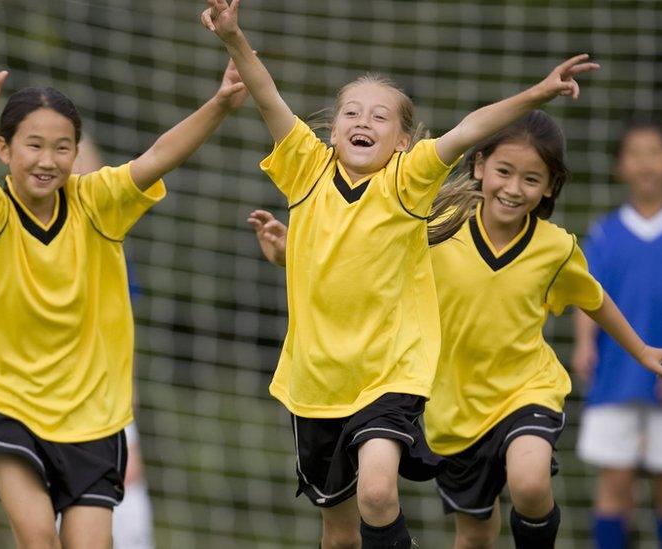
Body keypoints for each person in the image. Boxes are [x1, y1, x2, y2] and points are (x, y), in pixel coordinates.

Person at [201, 0, 600, 546]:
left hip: (389, 374)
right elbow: (268, 96)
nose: (363, 121)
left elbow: (470, 129)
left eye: (379, 116)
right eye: (351, 112)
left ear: (402, 142)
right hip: (315, 379)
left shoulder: (406, 182)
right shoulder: (304, 169)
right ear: (333, 127)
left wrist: (537, 92)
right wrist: (232, 38)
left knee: (378, 492)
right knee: (340, 535)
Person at [246, 111, 662, 549]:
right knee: (476, 535)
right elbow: (363, 265)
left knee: (530, 483)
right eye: (504, 171)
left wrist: (642, 350)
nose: (513, 188)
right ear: (480, 166)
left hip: (527, 389)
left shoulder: (555, 248)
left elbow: (596, 300)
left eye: (531, 179)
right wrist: (289, 254)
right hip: (454, 410)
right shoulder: (438, 230)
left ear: (549, 188)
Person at [0, 50, 246, 548]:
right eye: (33, 145)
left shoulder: (98, 203)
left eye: (62, 147)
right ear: (3, 148)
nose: (47, 160)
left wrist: (221, 104)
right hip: (3, 403)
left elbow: (160, 155)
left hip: (92, 416)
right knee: (39, 538)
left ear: (76, 152)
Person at [0, 137, 156, 549]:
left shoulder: (103, 234)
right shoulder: (5, 226)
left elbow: (117, 329)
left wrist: (128, 413)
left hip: (96, 401)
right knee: (40, 533)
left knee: (125, 523)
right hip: (23, 396)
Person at [572, 119, 662, 549]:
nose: (645, 162)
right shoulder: (604, 233)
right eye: (635, 153)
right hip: (616, 376)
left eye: (655, 152)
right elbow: (588, 293)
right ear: (620, 167)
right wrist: (582, 345)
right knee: (614, 483)